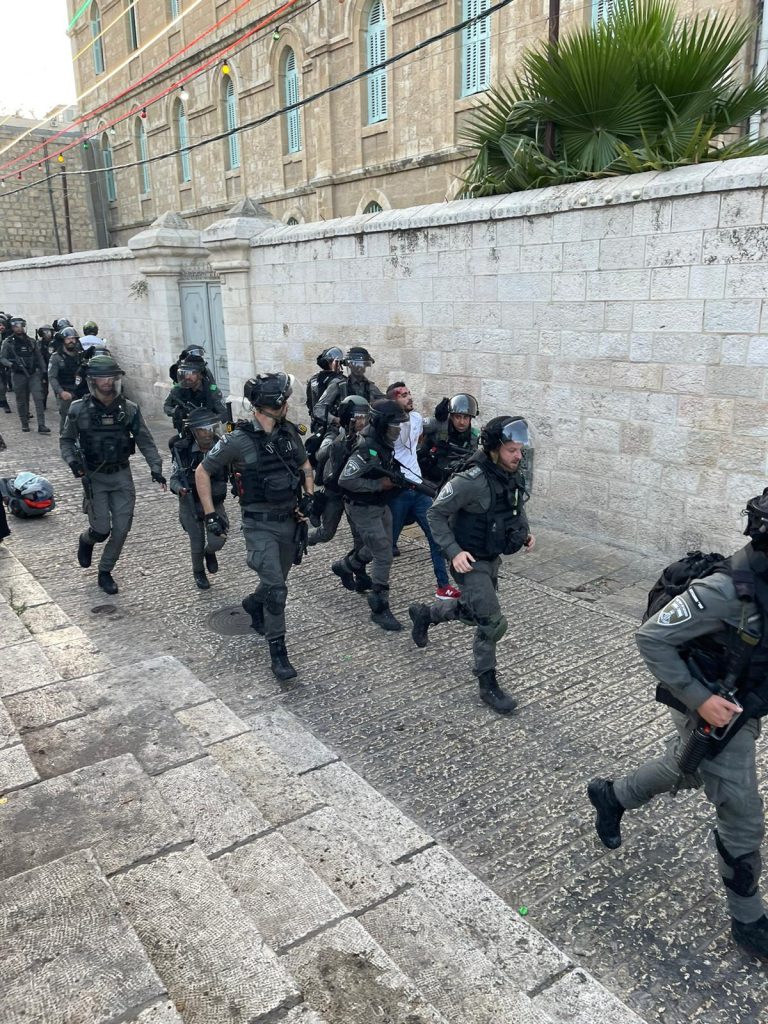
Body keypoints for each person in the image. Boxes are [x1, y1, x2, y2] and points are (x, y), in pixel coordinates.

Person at [588, 491, 768, 958]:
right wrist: (701, 700)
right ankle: (748, 921)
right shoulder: (725, 590)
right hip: (710, 709)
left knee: (686, 768)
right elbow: (651, 638)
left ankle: (612, 796)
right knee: (742, 815)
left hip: (745, 704)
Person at [408, 416, 535, 713]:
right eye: (511, 450)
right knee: (491, 622)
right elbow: (435, 514)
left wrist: (525, 533)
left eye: (520, 450)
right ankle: (487, 683)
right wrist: (453, 552)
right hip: (469, 561)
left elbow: (515, 506)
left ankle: (426, 614)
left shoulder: (510, 472)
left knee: (472, 610)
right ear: (493, 449)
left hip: (492, 557)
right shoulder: (471, 480)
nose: (518, 456)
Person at [195, 372, 314, 682]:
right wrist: (211, 514)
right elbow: (202, 472)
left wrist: (309, 496)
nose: (288, 405)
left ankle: (252, 603)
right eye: (285, 400)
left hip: (289, 522)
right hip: (259, 525)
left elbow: (304, 465)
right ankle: (278, 652)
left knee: (277, 581)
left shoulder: (289, 433)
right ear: (276, 403)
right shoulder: (238, 440)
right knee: (277, 591)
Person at [60, 354, 166, 595]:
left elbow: (145, 440)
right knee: (101, 530)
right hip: (94, 476)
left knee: (121, 528)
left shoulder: (128, 409)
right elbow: (66, 440)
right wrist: (73, 462)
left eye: (111, 377)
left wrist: (156, 467)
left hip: (121, 475)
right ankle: (87, 540)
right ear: (92, 380)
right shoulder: (78, 409)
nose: (107, 382)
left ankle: (105, 570)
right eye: (102, 378)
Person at [336, 399, 410, 631]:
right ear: (381, 424)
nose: (398, 431)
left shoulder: (381, 442)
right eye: (394, 426)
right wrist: (379, 484)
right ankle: (379, 606)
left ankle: (346, 566)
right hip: (362, 507)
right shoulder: (364, 447)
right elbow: (345, 480)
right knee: (384, 554)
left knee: (379, 544)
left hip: (379, 504)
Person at [387, 382, 459, 601]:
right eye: (403, 395)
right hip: (397, 491)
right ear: (393, 401)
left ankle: (443, 585)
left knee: (436, 536)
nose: (409, 397)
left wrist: (442, 415)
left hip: (418, 490)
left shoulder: (417, 418)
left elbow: (431, 427)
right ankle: (360, 569)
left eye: (409, 393)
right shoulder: (386, 424)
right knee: (386, 544)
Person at [169, 407, 229, 590]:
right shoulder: (183, 450)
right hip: (191, 502)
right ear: (194, 431)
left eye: (211, 428)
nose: (208, 433)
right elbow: (174, 478)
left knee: (219, 539)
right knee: (197, 541)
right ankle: (199, 572)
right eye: (203, 429)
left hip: (214, 500)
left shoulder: (221, 446)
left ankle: (209, 553)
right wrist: (180, 489)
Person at [309, 394, 371, 551]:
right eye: (358, 417)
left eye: (365, 417)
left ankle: (356, 563)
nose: (362, 422)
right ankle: (302, 539)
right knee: (326, 533)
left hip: (352, 493)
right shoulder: (334, 433)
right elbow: (320, 454)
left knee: (359, 536)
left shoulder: (366, 437)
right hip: (334, 491)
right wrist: (342, 441)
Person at [310, 346, 384, 427]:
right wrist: (336, 420)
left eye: (363, 365)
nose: (360, 368)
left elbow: (385, 403)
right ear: (350, 366)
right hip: (340, 428)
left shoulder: (370, 387)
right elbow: (318, 409)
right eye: (356, 365)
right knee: (331, 436)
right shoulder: (339, 385)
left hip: (364, 427)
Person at [0, 317, 50, 433]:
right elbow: (2, 358)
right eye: (16, 326)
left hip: (33, 373)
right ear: (12, 328)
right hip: (18, 375)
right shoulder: (8, 342)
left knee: (38, 398)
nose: (19, 328)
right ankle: (24, 423)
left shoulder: (31, 341)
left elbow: (39, 357)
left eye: (21, 326)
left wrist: (43, 371)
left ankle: (41, 425)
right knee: (21, 400)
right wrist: (12, 365)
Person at [420, 393, 481, 486]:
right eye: (458, 417)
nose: (462, 422)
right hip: (429, 475)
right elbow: (414, 425)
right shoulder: (440, 425)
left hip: (453, 480)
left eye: (465, 417)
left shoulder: (473, 437)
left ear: (471, 418)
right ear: (451, 416)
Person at [164, 352, 226, 434]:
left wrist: (208, 419)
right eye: (186, 373)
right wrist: (176, 411)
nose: (187, 377)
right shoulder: (178, 389)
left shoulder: (212, 391)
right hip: (186, 431)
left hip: (208, 432)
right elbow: (166, 407)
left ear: (200, 375)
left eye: (192, 373)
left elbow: (224, 414)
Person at [48, 327, 86, 432]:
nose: (71, 341)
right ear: (63, 340)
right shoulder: (56, 357)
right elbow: (52, 377)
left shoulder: (81, 355)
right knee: (66, 421)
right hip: (66, 393)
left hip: (80, 392)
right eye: (68, 339)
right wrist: (61, 392)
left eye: (73, 338)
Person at [306, 346, 345, 427]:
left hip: (318, 425)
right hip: (334, 426)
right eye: (338, 362)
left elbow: (310, 405)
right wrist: (336, 419)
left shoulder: (313, 379)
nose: (339, 366)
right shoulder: (339, 380)